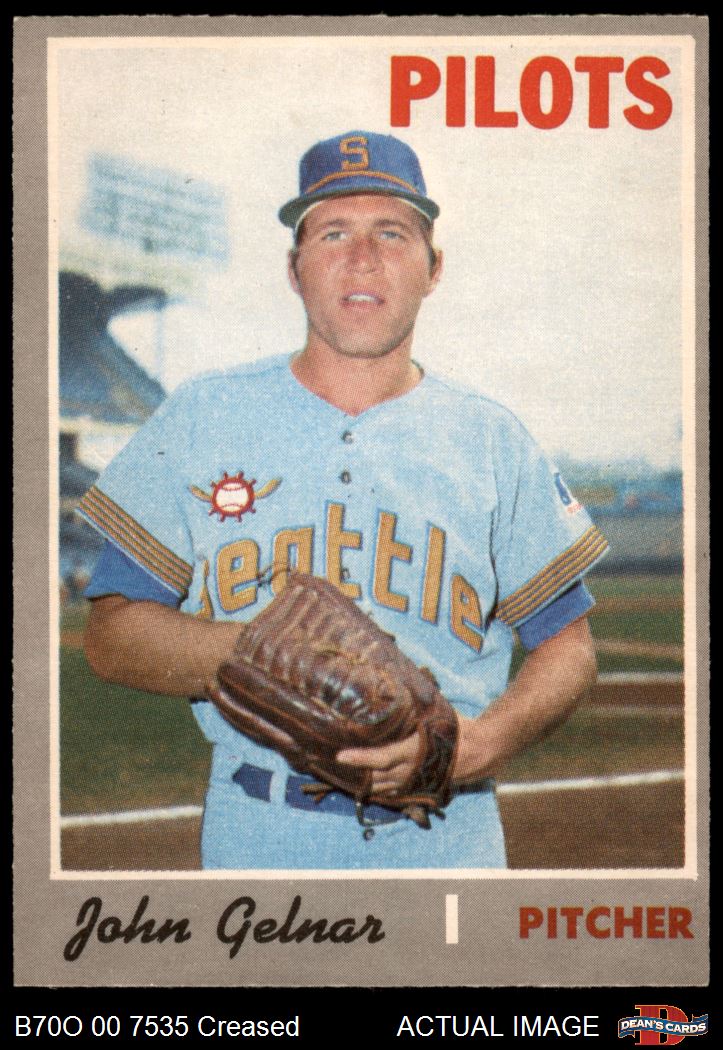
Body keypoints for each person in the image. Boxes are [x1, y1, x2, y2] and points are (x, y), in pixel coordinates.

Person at [79, 130, 608, 869]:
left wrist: (476, 746)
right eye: (332, 233)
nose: (363, 257)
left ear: (433, 268)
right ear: (294, 270)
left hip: (448, 836)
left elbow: (568, 648)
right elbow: (111, 637)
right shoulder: (202, 416)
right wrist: (256, 653)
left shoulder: (491, 438)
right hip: (261, 835)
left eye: (391, 233)